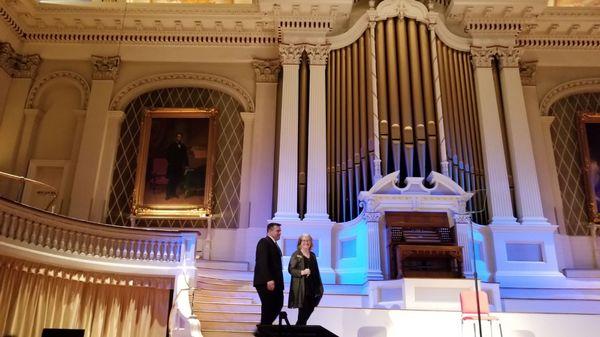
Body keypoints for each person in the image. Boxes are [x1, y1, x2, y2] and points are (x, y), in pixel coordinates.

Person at [288, 233, 323, 325]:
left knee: (310, 309)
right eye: (303, 240)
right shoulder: (296, 254)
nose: (306, 242)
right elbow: (291, 270)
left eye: (308, 240)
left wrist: (319, 287)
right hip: (302, 288)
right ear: (300, 242)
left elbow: (316, 271)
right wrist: (302, 272)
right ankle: (299, 331)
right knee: (303, 313)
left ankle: (299, 329)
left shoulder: (313, 255)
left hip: (312, 288)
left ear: (311, 242)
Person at [253, 223, 284, 326]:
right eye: (277, 231)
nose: (280, 233)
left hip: (275, 283)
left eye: (280, 230)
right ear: (270, 231)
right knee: (269, 306)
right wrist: (268, 279)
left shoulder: (273, 243)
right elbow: (262, 262)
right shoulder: (264, 242)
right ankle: (263, 329)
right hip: (267, 282)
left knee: (277, 304)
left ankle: (264, 328)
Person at [166, 132, 189, 199]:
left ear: (181, 138)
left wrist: (187, 164)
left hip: (179, 166)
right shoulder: (172, 145)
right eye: (178, 137)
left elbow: (185, 156)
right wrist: (170, 161)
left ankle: (173, 193)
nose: (179, 138)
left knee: (176, 180)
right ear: (176, 137)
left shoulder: (183, 146)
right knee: (171, 180)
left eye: (180, 137)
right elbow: (167, 154)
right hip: (172, 166)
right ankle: (168, 194)